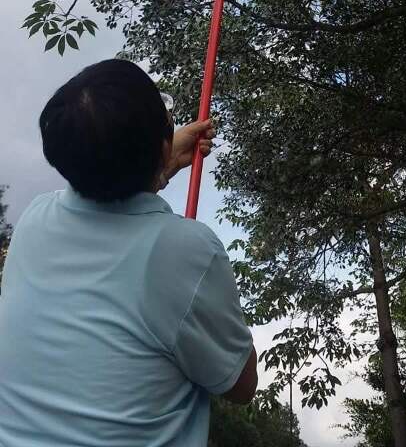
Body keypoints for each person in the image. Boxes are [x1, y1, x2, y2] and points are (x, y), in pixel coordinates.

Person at [0, 59, 257, 447]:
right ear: (161, 141)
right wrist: (156, 160)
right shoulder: (188, 251)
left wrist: (159, 162)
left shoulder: (35, 219)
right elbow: (240, 384)